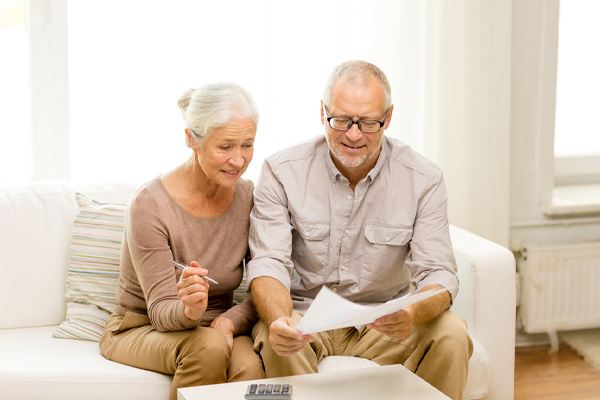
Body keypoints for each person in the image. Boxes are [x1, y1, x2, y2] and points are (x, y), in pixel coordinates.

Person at [247, 60, 473, 400]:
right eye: (341, 120)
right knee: (274, 333)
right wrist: (281, 319)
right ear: (322, 112)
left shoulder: (423, 179)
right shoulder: (282, 171)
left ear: (389, 118)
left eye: (368, 123)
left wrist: (411, 312)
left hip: (384, 322)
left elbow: (439, 273)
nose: (354, 135)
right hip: (306, 319)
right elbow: (267, 263)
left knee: (452, 332)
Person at [99, 82, 265, 400]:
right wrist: (191, 310)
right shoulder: (149, 204)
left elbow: (264, 286)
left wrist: (229, 321)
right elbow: (161, 310)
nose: (239, 160)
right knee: (210, 349)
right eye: (225, 146)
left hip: (216, 325)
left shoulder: (248, 196)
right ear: (191, 139)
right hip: (141, 325)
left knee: (250, 369)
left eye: (248, 145)